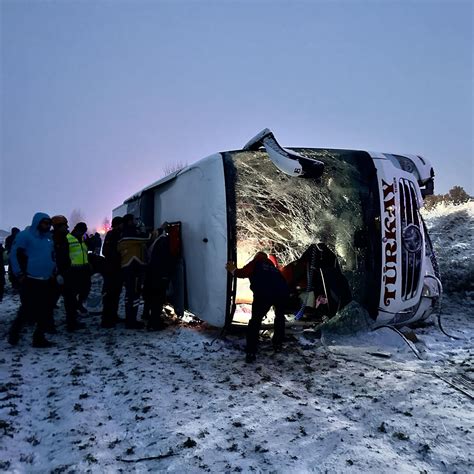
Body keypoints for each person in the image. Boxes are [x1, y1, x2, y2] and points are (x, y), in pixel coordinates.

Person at [226, 251, 290, 363]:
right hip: (282, 293)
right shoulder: (273, 268)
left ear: (256, 257)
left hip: (264, 293)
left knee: (255, 321)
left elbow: (241, 273)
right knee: (279, 317)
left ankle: (251, 351)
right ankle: (278, 344)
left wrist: (232, 269)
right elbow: (284, 281)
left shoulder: (256, 262)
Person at [8, 213, 56, 347]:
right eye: (44, 223)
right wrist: (19, 274)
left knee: (45, 309)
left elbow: (52, 256)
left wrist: (53, 270)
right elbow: (14, 255)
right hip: (30, 279)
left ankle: (39, 338)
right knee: (27, 310)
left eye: (48, 224)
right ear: (37, 222)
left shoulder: (48, 239)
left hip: (46, 279)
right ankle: (14, 333)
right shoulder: (25, 236)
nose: (47, 226)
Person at [117, 214, 149, 329]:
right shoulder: (128, 233)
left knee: (130, 295)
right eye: (134, 220)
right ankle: (131, 322)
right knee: (134, 295)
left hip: (130, 268)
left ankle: (130, 319)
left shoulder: (127, 232)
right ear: (129, 221)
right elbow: (146, 238)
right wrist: (156, 231)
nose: (136, 222)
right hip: (132, 268)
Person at [144, 222, 175, 331]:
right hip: (159, 275)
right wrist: (166, 274)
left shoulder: (155, 240)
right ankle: (155, 323)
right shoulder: (164, 241)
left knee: (153, 298)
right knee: (158, 299)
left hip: (152, 274)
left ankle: (152, 320)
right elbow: (164, 259)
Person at [64, 222, 90, 331]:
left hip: (83, 269)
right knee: (71, 296)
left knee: (85, 289)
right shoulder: (68, 239)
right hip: (73, 271)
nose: (83, 233)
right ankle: (72, 322)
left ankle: (78, 305)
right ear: (76, 229)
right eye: (82, 231)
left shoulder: (81, 239)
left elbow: (84, 253)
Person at [101, 216, 123, 328]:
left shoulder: (119, 234)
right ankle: (106, 319)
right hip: (111, 270)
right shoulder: (111, 235)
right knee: (109, 295)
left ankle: (113, 315)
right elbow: (105, 251)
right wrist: (117, 256)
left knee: (116, 294)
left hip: (117, 269)